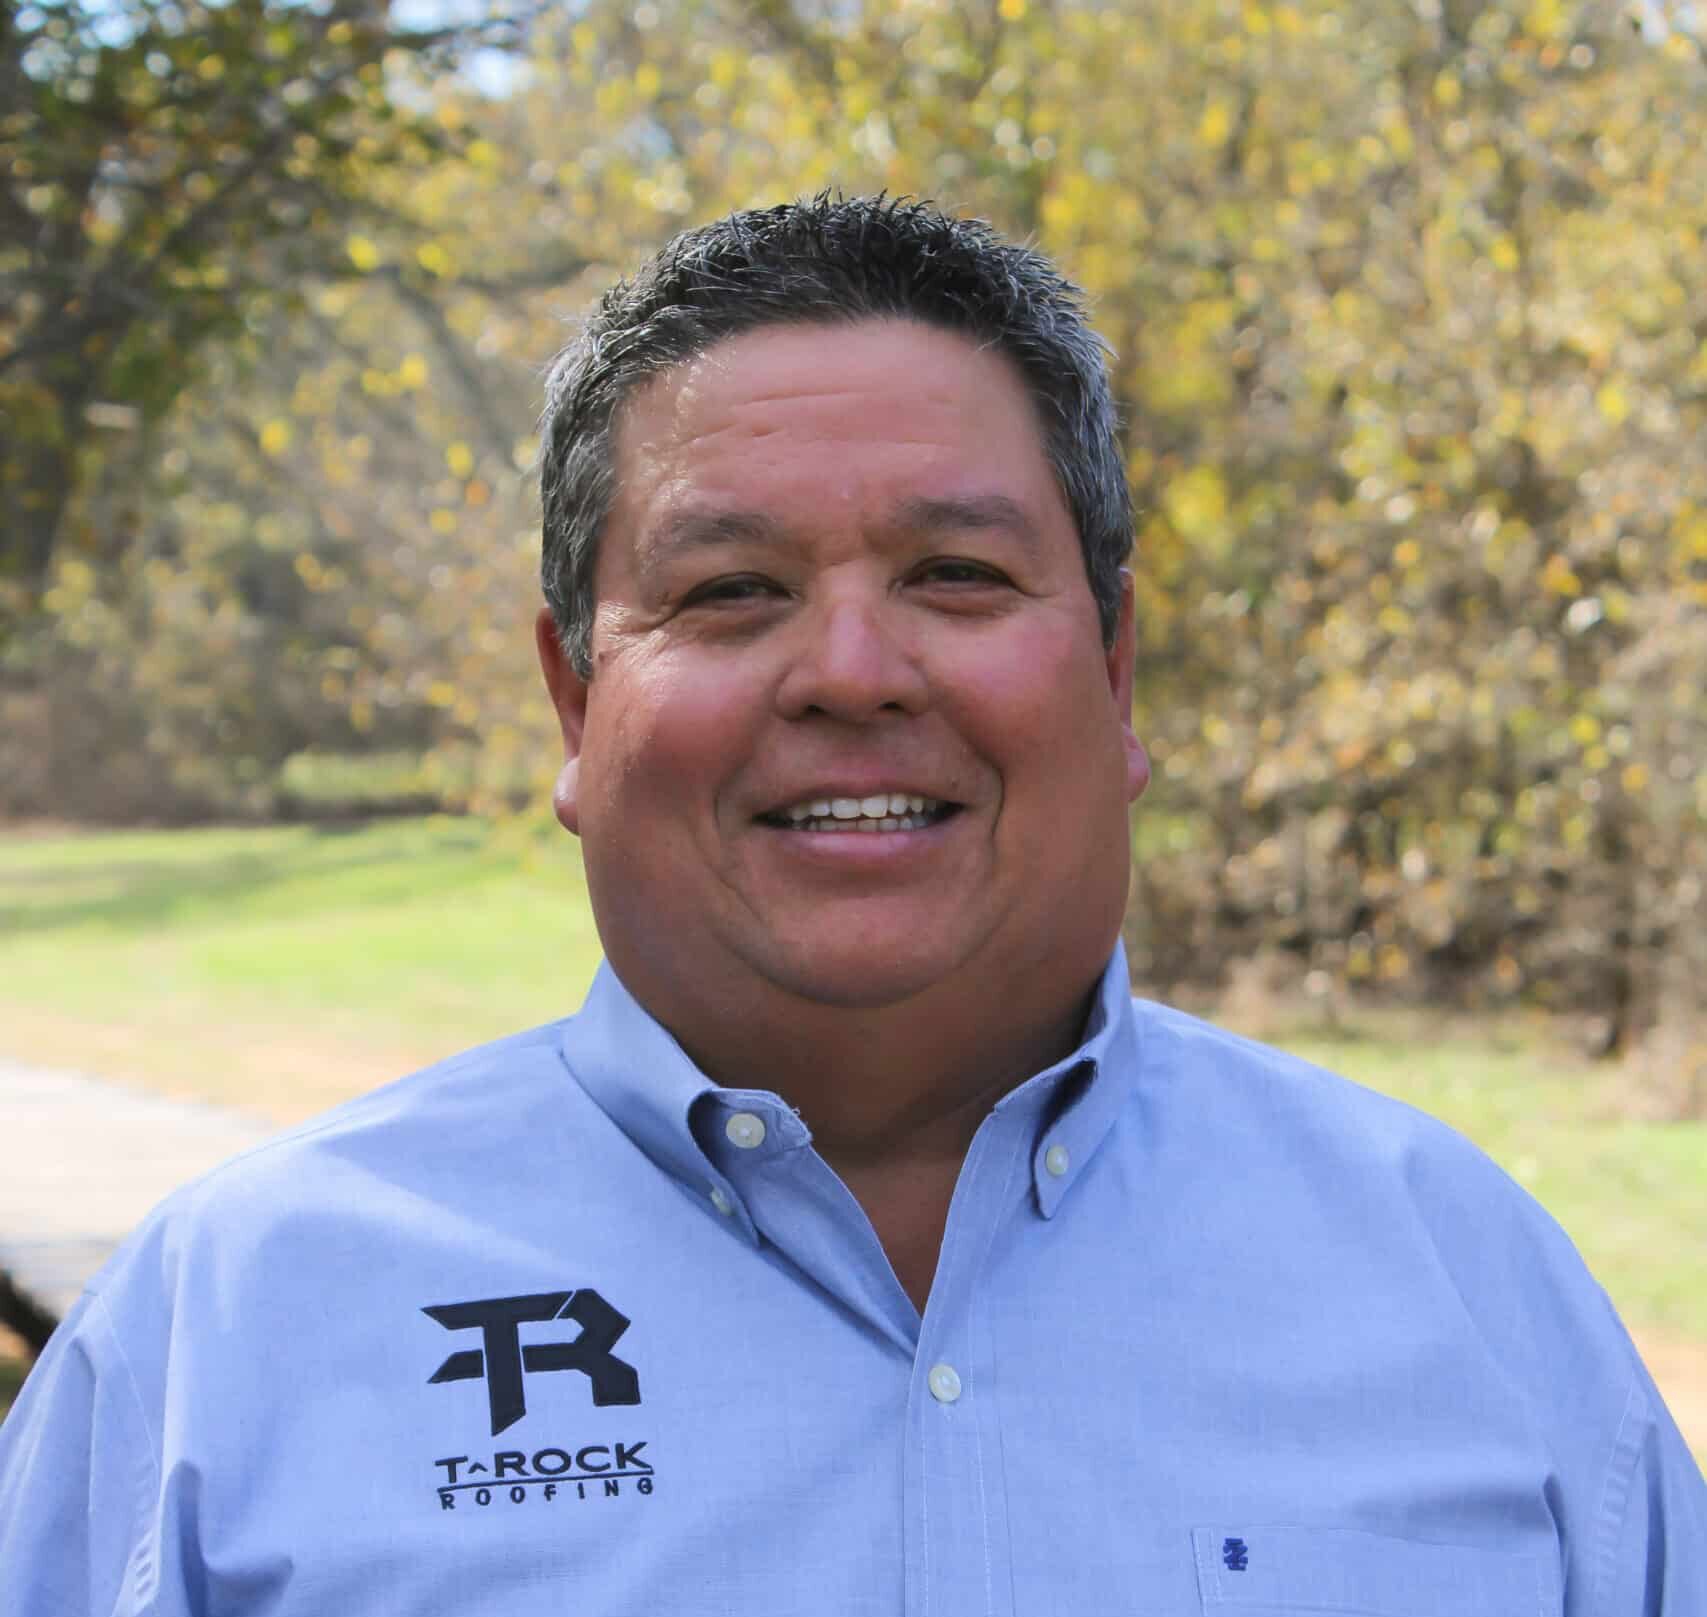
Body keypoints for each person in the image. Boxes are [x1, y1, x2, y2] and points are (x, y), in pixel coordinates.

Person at [1, 196, 1702, 1615]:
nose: (854, 671)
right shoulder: (225, 1335)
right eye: (731, 590)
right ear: (573, 704)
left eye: (957, 575)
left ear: (1114, 669)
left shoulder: (1463, 1283)